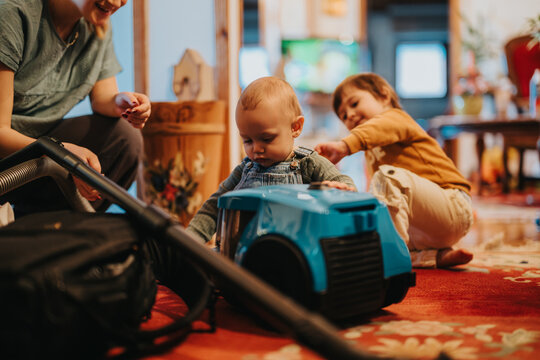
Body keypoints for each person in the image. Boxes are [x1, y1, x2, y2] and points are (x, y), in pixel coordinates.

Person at [0, 0, 150, 214]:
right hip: (8, 155)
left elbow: (102, 98)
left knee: (125, 138)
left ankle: (54, 230)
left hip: (40, 149)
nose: (116, 3)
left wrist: (122, 103)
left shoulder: (96, 25)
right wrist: (58, 151)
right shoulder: (13, 15)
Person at [314, 73, 474, 268]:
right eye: (344, 116)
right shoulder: (371, 152)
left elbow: (380, 128)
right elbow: (383, 201)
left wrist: (345, 146)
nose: (350, 116)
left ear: (384, 96)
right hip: (422, 227)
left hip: (453, 205)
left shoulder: (397, 118)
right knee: (372, 211)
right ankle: (435, 256)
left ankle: (387, 258)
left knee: (387, 178)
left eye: (354, 104)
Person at [186, 76, 356, 244]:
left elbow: (345, 185)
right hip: (245, 255)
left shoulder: (308, 163)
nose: (256, 149)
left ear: (295, 127)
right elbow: (213, 207)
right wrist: (189, 241)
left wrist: (337, 190)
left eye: (267, 139)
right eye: (248, 141)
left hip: (294, 253)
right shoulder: (245, 170)